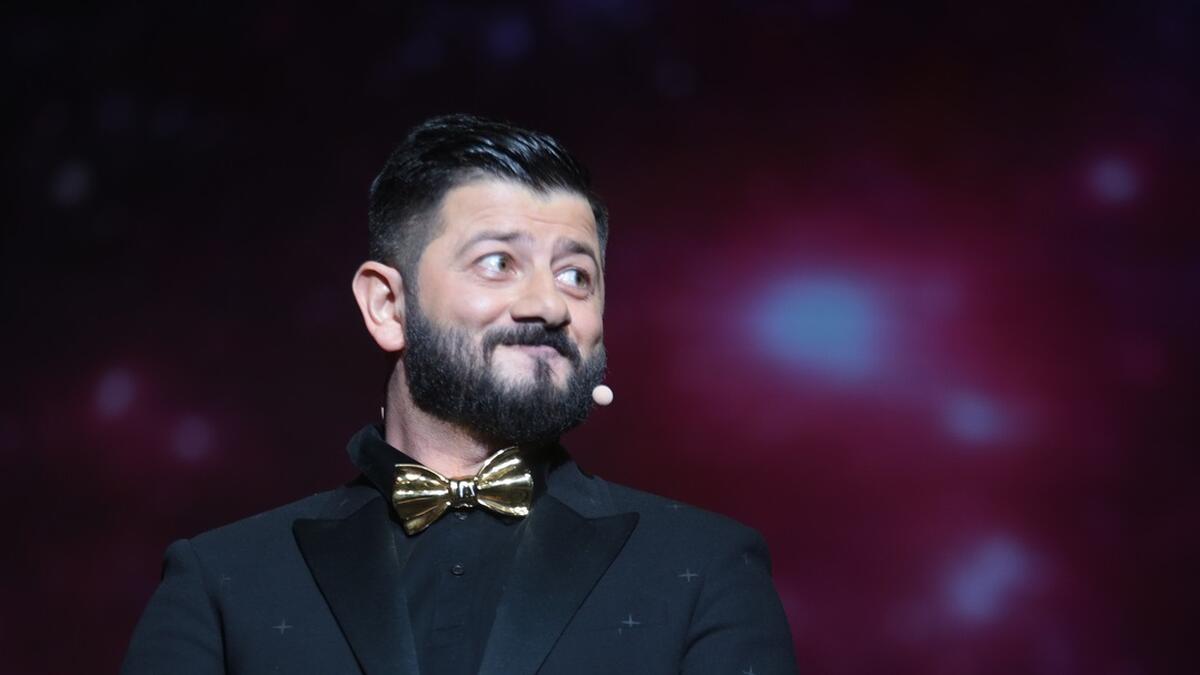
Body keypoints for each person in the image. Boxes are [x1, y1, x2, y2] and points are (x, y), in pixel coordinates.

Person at [121, 114, 798, 675]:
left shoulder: (705, 567)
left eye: (576, 275)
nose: (548, 305)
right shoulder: (222, 580)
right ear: (387, 306)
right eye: (498, 263)